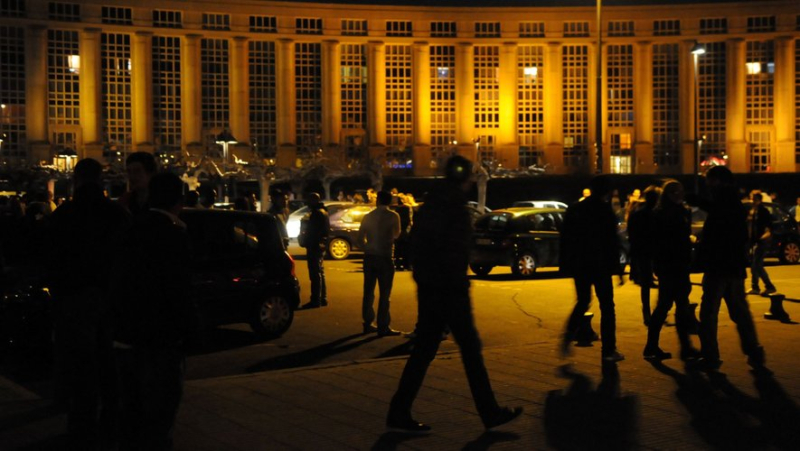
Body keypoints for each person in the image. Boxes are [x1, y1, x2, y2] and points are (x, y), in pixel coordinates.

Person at [387, 156, 522, 433]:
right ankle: (490, 412)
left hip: (429, 288)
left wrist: (424, 280)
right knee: (471, 351)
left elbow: (418, 246)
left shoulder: (430, 205)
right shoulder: (456, 208)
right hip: (450, 291)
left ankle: (399, 410)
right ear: (465, 179)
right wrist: (457, 284)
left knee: (424, 351)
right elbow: (455, 253)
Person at [46, 158, 131, 449]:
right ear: (100, 179)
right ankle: (111, 420)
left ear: (76, 180)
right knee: (108, 361)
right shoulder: (116, 214)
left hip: (72, 298)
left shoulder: (63, 215)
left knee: (79, 364)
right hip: (107, 296)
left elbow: (49, 260)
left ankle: (81, 425)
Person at [111, 172, 197, 450]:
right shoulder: (174, 234)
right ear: (179, 201)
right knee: (161, 412)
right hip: (161, 337)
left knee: (132, 409)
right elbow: (179, 290)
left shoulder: (129, 227)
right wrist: (189, 330)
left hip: (126, 334)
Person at [695, 166, 766, 371]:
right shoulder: (733, 201)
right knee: (740, 311)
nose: (707, 185)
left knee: (709, 312)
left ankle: (710, 356)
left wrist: (699, 202)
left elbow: (718, 221)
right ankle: (754, 351)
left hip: (719, 265)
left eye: (709, 180)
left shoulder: (723, 201)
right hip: (733, 265)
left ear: (717, 181)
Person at [559, 175, 626, 363]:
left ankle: (568, 335)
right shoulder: (605, 211)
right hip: (601, 264)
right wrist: (619, 271)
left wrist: (565, 264)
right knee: (607, 306)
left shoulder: (576, 208)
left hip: (581, 263)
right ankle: (608, 350)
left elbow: (565, 238)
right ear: (607, 191)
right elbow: (611, 242)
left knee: (582, 301)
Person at [643, 180, 700, 362]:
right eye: (674, 192)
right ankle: (676, 347)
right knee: (670, 305)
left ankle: (664, 346)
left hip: (678, 264)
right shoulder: (662, 214)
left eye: (680, 191)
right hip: (670, 264)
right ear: (666, 194)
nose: (678, 195)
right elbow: (658, 242)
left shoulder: (682, 211)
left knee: (675, 305)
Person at [358, 190, 402, 336]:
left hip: (370, 257)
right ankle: (383, 325)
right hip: (385, 256)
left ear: (377, 200)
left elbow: (359, 238)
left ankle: (368, 322)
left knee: (368, 291)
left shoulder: (368, 216)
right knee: (385, 293)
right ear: (389, 201)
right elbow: (397, 234)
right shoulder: (393, 216)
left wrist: (367, 248)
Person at [626, 185, 661, 326]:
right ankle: (656, 310)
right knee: (655, 281)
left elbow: (632, 233)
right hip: (653, 250)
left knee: (646, 284)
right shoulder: (657, 213)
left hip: (643, 250)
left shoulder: (638, 213)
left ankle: (647, 311)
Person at [300, 192, 329, 309]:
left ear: (314, 201)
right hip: (320, 245)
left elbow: (313, 232)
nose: (307, 203)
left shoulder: (316, 214)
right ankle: (323, 298)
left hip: (314, 246)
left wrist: (306, 240)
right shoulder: (324, 212)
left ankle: (315, 299)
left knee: (315, 273)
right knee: (320, 272)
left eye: (309, 200)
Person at [747, 192, 777, 296]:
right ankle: (755, 287)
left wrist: (762, 238)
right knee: (754, 265)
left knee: (757, 265)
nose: (752, 200)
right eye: (752, 198)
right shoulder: (753, 210)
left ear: (759, 199)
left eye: (754, 199)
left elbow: (769, 227)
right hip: (755, 241)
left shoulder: (763, 211)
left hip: (762, 241)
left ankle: (769, 286)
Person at [118, 151, 158, 217]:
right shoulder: (125, 201)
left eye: (137, 171)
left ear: (151, 173)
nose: (132, 176)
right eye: (129, 171)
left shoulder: (162, 201)